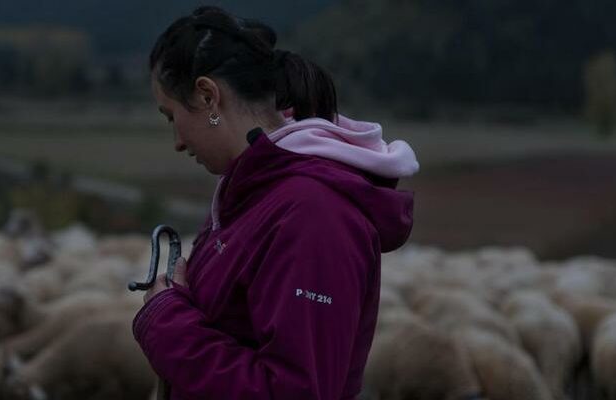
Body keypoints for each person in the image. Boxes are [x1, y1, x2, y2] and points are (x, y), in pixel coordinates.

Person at [133, 6, 419, 399]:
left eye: (171, 116)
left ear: (207, 95)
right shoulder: (250, 196)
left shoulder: (312, 215)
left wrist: (168, 323)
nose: (178, 141)